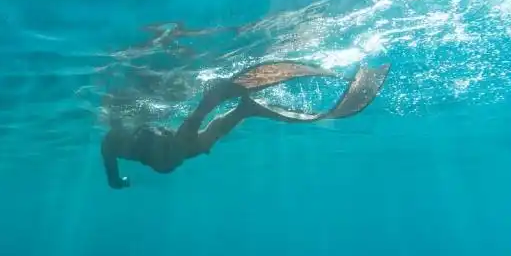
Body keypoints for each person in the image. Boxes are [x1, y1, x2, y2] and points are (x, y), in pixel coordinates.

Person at [100, 61, 390, 189]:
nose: (170, 135)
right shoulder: (130, 147)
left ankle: (236, 107)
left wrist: (213, 98)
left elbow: (114, 177)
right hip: (163, 143)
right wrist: (119, 182)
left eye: (167, 138)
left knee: (193, 137)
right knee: (196, 143)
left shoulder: (115, 142)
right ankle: (242, 109)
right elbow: (114, 179)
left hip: (146, 111)